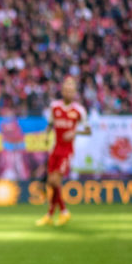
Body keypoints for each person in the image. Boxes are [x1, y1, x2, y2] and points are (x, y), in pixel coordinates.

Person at [36, 77, 91, 227]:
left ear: (75, 93)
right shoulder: (54, 107)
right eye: (66, 89)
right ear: (62, 91)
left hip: (66, 151)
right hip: (55, 148)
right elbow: (50, 124)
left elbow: (88, 130)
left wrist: (75, 132)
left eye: (71, 90)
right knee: (51, 183)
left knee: (54, 181)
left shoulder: (79, 110)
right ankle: (51, 215)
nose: (69, 92)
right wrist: (46, 136)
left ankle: (64, 211)